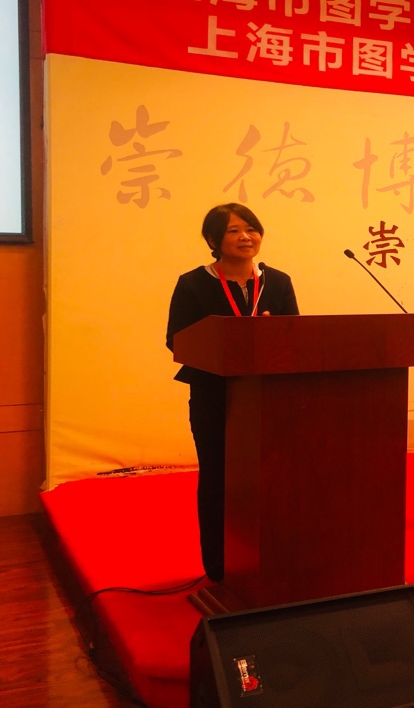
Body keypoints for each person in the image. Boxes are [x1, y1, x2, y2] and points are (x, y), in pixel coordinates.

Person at [165, 203, 299, 581]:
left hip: (268, 397)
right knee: (218, 478)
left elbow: (296, 337)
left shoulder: (278, 282)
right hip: (214, 397)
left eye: (251, 229)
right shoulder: (193, 284)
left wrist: (274, 336)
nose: (245, 237)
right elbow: (176, 340)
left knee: (271, 479)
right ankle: (220, 567)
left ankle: (270, 559)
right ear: (212, 239)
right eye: (233, 231)